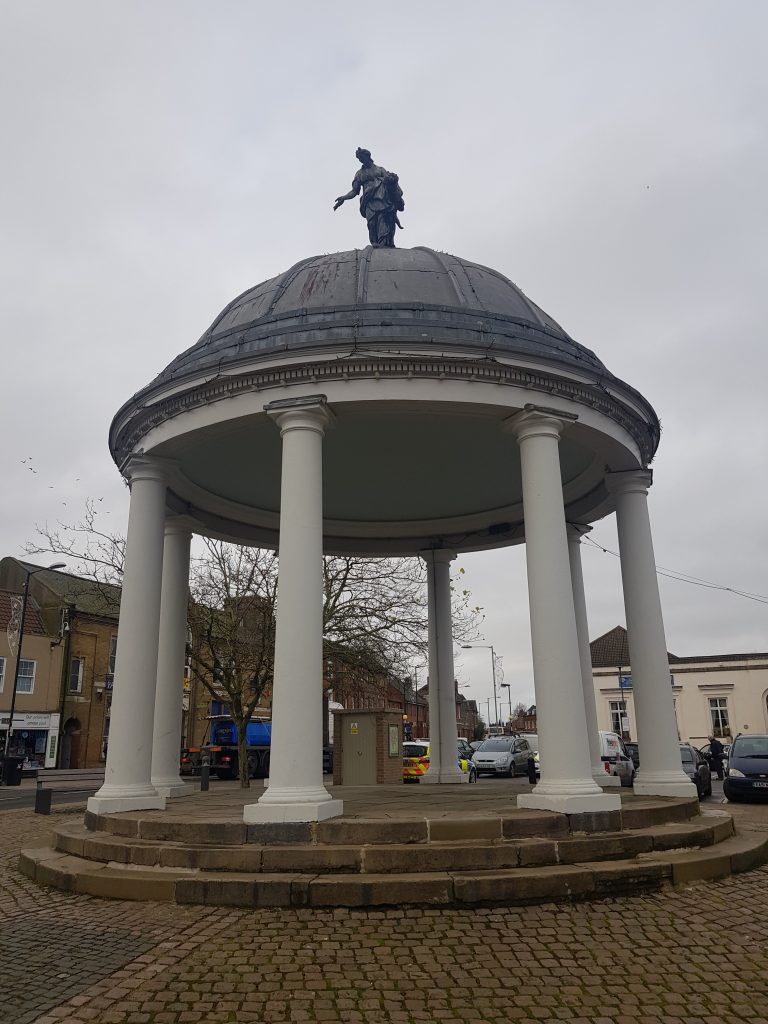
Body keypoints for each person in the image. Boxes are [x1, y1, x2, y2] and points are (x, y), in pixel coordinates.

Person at [334, 148, 404, 248]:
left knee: (383, 219)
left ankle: (383, 243)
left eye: (362, 158)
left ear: (368, 156)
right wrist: (344, 198)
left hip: (383, 199)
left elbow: (390, 182)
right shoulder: (359, 174)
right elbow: (354, 191)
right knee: (371, 223)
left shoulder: (380, 169)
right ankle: (374, 241)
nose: (361, 160)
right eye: (359, 159)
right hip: (369, 200)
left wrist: (393, 184)